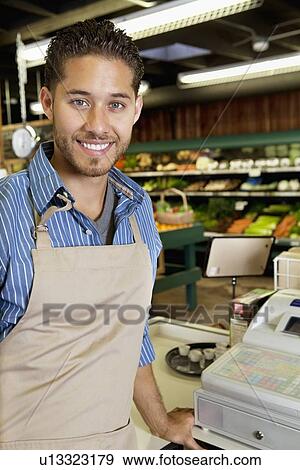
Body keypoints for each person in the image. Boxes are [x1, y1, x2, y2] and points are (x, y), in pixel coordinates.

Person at [0, 19, 200, 450]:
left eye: (115, 104)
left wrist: (162, 423)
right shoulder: (5, 212)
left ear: (136, 109)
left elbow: (130, 332)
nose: (97, 125)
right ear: (49, 103)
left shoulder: (137, 207)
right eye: (79, 101)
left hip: (116, 445)